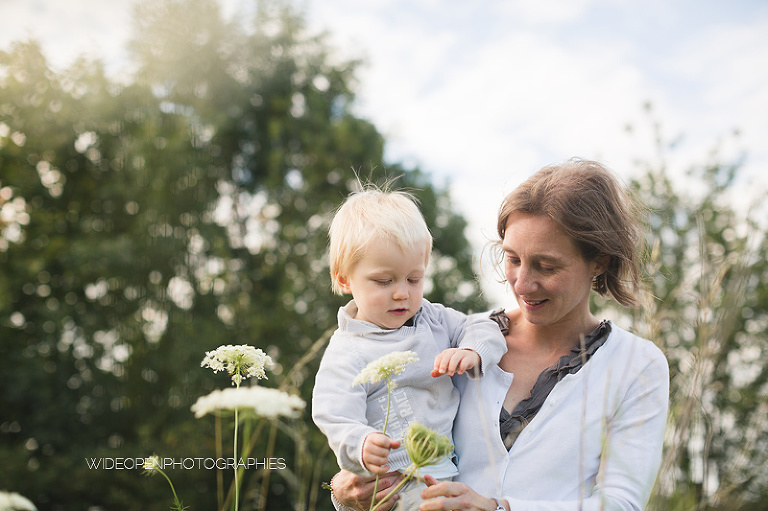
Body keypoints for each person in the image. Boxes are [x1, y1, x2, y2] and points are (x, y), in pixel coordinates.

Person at [328, 159, 670, 511]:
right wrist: (343, 489)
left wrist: (496, 508)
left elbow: (622, 504)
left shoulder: (637, 365)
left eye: (546, 266)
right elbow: (375, 424)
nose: (522, 284)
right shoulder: (455, 336)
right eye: (513, 259)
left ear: (598, 261)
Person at [311, 186, 508, 510]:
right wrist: (360, 443)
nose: (402, 293)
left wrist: (472, 351)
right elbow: (332, 413)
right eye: (384, 281)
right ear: (344, 279)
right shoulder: (347, 351)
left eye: (414, 279)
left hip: (449, 470)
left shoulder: (434, 318)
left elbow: (482, 325)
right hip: (393, 482)